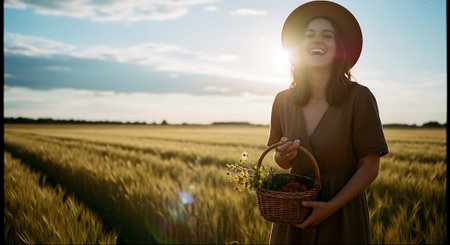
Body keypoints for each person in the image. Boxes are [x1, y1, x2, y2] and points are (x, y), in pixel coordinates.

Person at [267, 1, 389, 244]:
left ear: (339, 47)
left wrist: (330, 206)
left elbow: (370, 165)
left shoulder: (360, 97)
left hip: (343, 216)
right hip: (295, 213)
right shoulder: (282, 100)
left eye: (327, 35)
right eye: (309, 35)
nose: (316, 40)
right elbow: (279, 161)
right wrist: (284, 155)